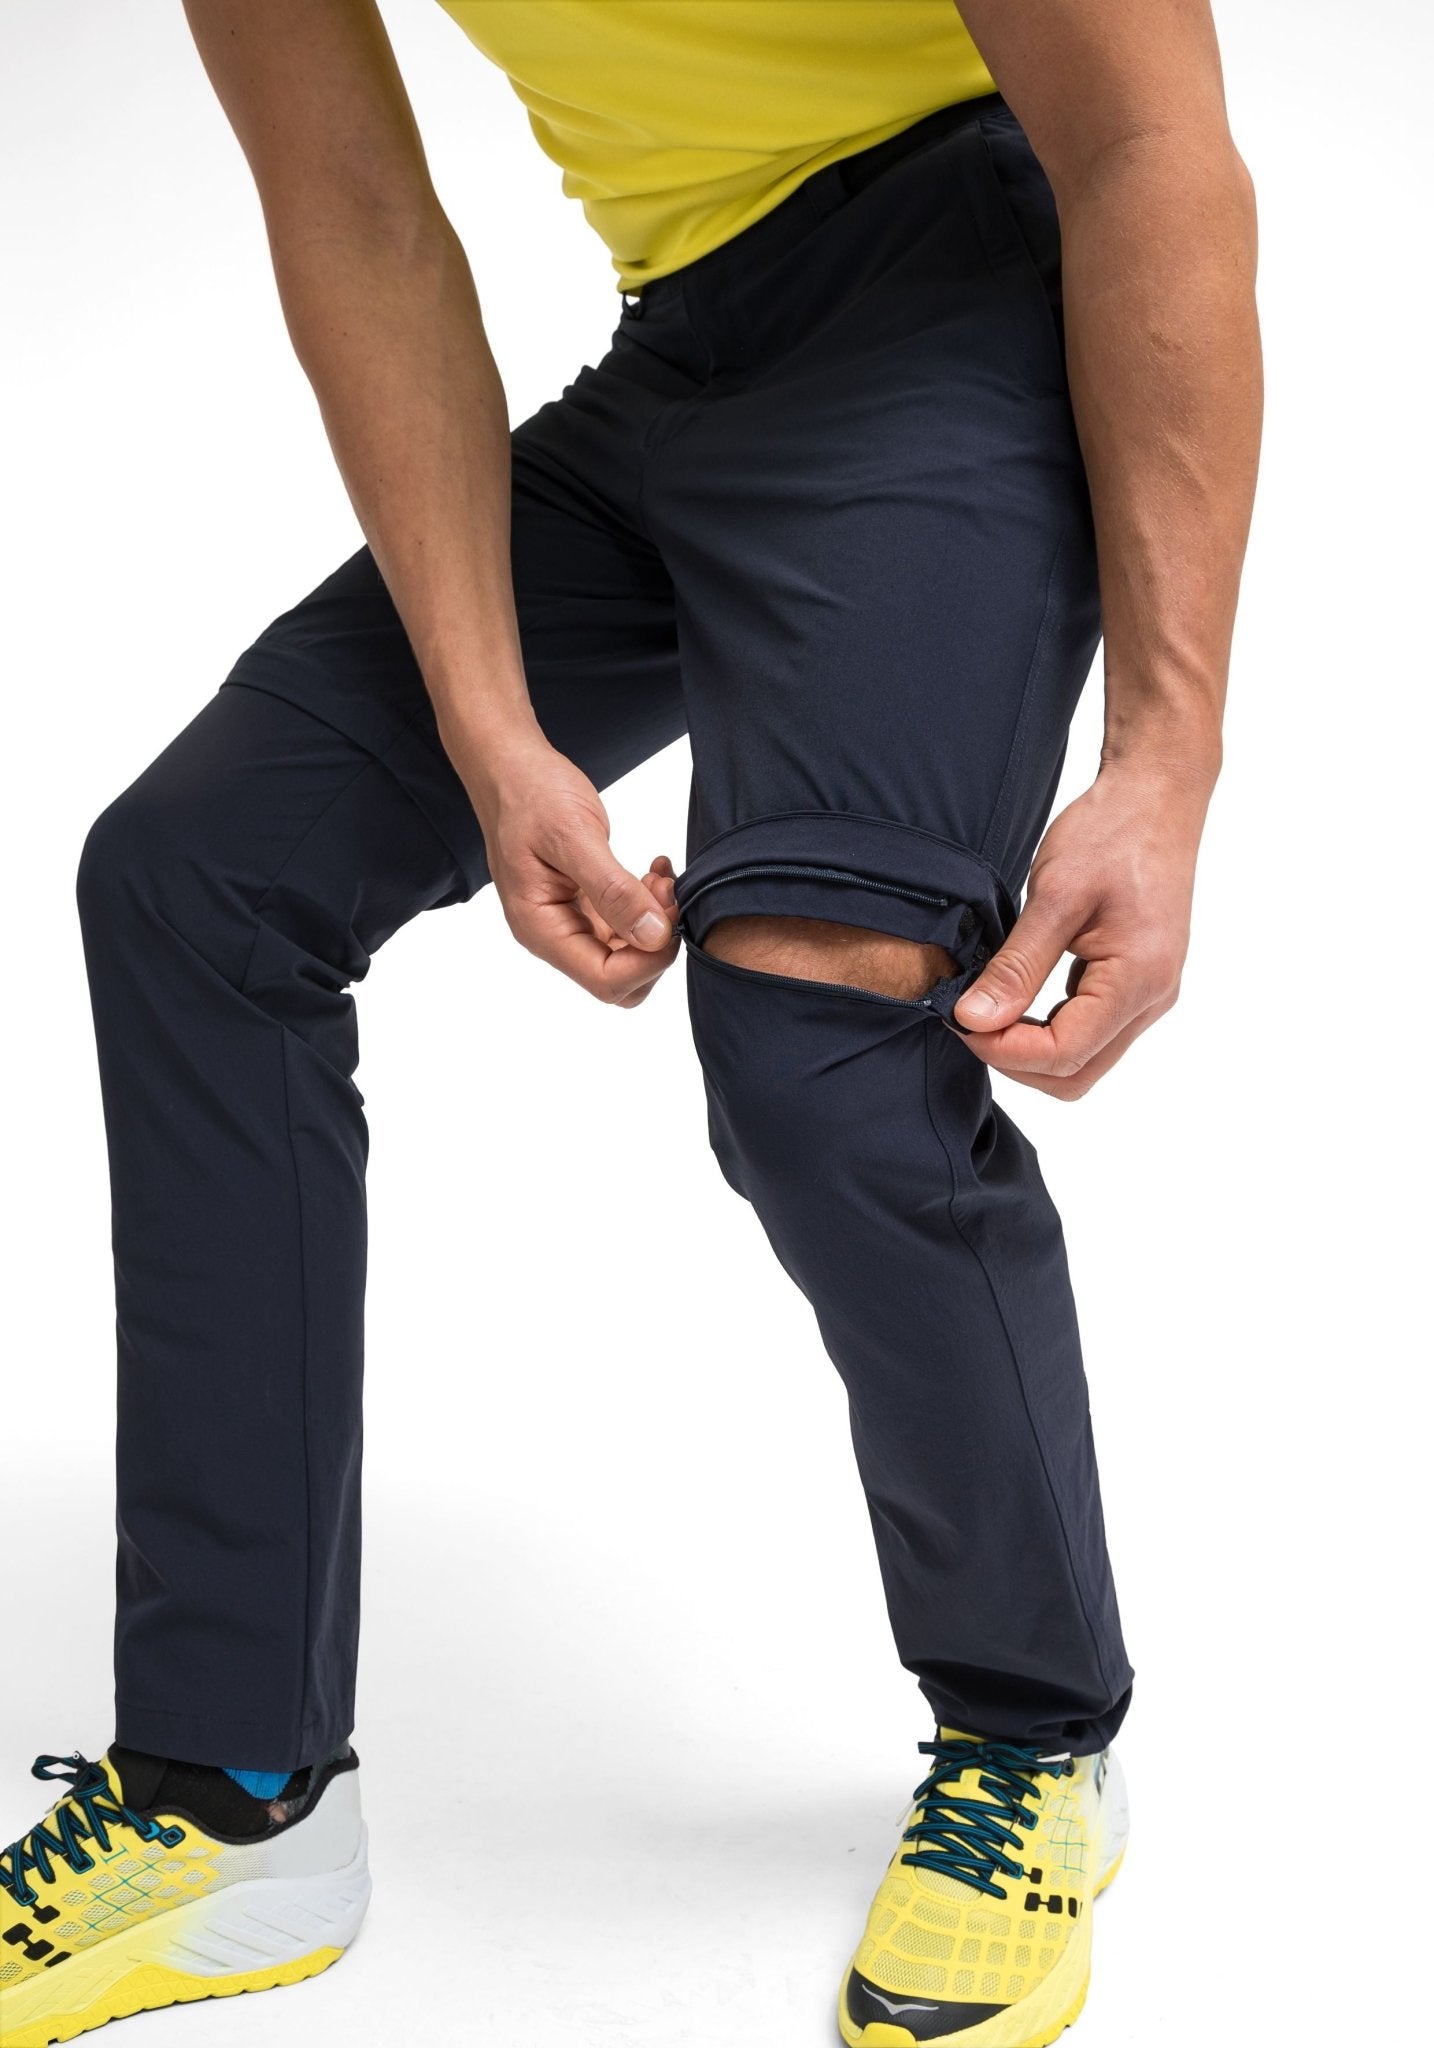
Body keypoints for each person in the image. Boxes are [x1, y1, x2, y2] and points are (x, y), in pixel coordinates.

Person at [0, 3, 1260, 2044]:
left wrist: (1165, 751)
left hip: (957, 289)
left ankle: (1034, 1733)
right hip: (686, 354)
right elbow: (354, 210)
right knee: (200, 881)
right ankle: (235, 1797)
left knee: (814, 1034)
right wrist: (492, 730)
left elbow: (1144, 144)